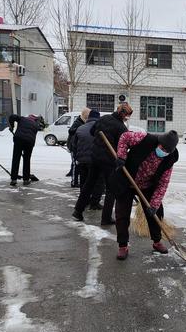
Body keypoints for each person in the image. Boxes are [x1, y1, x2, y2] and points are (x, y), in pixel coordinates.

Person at [112, 129, 179, 260]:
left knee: (156, 213)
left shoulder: (169, 160)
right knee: (122, 213)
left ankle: (157, 241)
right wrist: (121, 156)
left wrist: (153, 205)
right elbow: (125, 137)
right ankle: (123, 245)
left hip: (147, 185)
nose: (163, 151)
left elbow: (163, 184)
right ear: (159, 142)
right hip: (127, 179)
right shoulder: (144, 139)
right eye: (162, 148)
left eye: (166, 151)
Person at [72, 102, 133, 225]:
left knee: (89, 184)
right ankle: (106, 218)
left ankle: (77, 211)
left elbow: (92, 132)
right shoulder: (121, 127)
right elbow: (125, 145)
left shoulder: (103, 119)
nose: (127, 118)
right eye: (127, 116)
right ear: (124, 114)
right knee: (111, 189)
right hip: (109, 161)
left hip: (94, 157)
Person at [71, 109, 105, 210]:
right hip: (95, 160)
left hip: (82, 161)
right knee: (99, 182)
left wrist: (77, 157)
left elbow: (74, 145)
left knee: (84, 182)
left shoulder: (80, 128)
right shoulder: (100, 129)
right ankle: (94, 203)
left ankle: (84, 201)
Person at [9, 113, 46, 186]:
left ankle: (14, 179)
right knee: (26, 160)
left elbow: (12, 116)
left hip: (19, 139)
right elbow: (42, 127)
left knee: (16, 159)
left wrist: (12, 126)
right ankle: (26, 179)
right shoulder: (36, 125)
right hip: (29, 142)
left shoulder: (23, 119)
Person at [67, 108, 90, 187]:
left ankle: (78, 181)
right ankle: (74, 182)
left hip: (78, 146)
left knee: (78, 165)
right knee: (75, 165)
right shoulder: (78, 122)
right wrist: (79, 129)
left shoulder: (83, 122)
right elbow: (70, 131)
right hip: (74, 146)